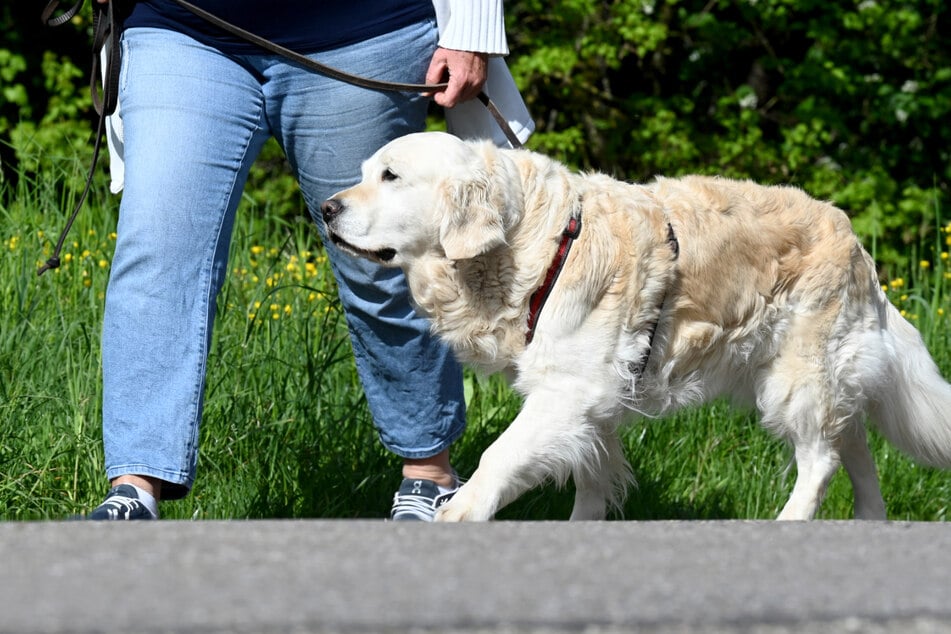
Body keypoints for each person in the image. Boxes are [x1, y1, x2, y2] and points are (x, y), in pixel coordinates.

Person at [83, 0, 522, 521]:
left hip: (363, 32)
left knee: (382, 265)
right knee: (157, 253)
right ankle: (134, 493)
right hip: (180, 27)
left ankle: (429, 479)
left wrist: (472, 30)